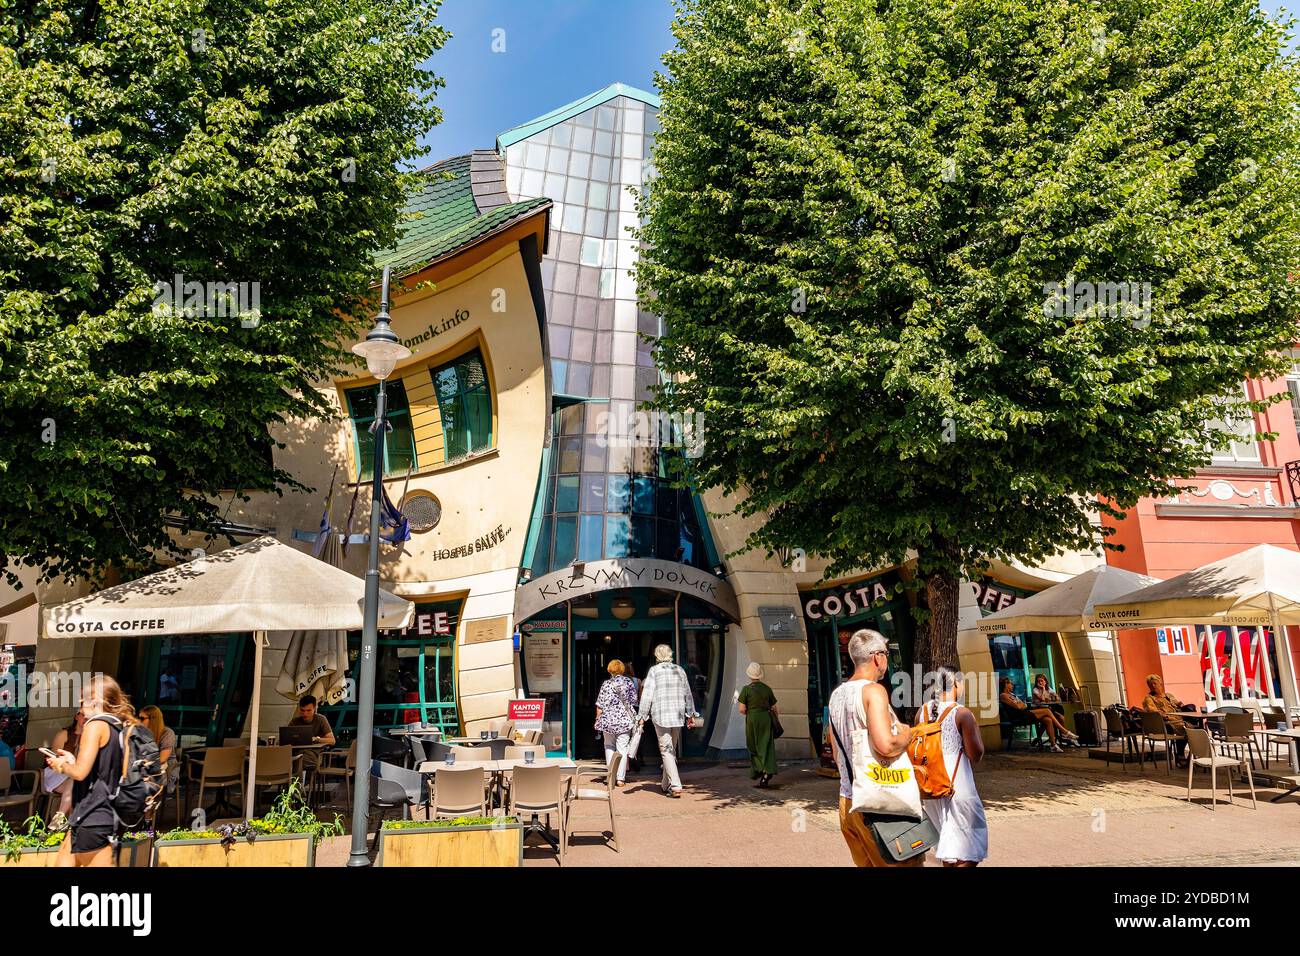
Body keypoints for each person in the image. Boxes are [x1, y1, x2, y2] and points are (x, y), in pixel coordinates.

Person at [827, 629, 922, 867]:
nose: (886, 661)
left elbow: (837, 753)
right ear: (877, 657)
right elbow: (886, 745)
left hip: (848, 801)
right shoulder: (874, 691)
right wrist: (907, 733)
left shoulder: (836, 695)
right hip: (880, 802)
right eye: (886, 655)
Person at [44, 675, 132, 867]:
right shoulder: (119, 728)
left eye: (84, 697)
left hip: (94, 817)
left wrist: (62, 765)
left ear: (97, 699)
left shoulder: (94, 726)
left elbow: (80, 773)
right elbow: (105, 769)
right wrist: (73, 761)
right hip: (94, 815)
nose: (80, 701)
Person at [916, 667, 987, 867]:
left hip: (931, 788)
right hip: (957, 786)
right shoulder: (962, 714)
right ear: (956, 683)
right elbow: (976, 754)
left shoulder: (922, 712)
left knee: (948, 849)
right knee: (970, 850)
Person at [635, 643, 698, 798]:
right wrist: (690, 714)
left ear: (657, 656)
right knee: (671, 750)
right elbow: (687, 693)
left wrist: (641, 716)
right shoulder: (680, 670)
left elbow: (647, 695)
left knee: (667, 751)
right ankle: (665, 784)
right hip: (677, 716)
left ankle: (675, 785)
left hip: (661, 715)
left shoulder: (654, 671)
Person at [1000, 677, 1079, 752]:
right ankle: (1064, 732)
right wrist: (1020, 705)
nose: (1012, 685)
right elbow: (1018, 706)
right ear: (1006, 684)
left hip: (1025, 712)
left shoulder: (1012, 694)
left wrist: (1020, 705)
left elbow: (1023, 705)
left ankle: (1053, 745)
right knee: (1047, 711)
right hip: (1019, 716)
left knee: (1048, 720)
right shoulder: (1003, 695)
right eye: (1011, 683)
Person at [593, 659, 638, 787]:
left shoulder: (606, 684)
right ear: (622, 669)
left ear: (610, 669)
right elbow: (634, 701)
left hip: (608, 721)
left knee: (609, 747)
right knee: (622, 749)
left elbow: (599, 704)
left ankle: (610, 776)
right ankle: (620, 779)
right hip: (624, 721)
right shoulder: (628, 682)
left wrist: (597, 719)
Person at [737, 662, 778, 788]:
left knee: (753, 744)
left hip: (753, 719)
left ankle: (760, 770)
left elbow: (742, 709)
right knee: (767, 744)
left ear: (749, 675)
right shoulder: (767, 688)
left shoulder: (746, 689)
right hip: (766, 718)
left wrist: (751, 713)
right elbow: (775, 707)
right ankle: (768, 771)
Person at [1140, 674, 1188, 767]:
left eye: (1155, 683)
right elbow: (1151, 710)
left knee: (1197, 728)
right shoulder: (1149, 698)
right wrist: (1164, 715)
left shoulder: (1169, 695)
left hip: (1179, 719)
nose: (1153, 686)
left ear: (1160, 683)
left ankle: (1193, 757)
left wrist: (1181, 705)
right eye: (1150, 685)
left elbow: (1177, 703)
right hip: (1166, 723)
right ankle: (1181, 756)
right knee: (1186, 730)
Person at [47, 710, 87, 821]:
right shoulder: (64, 734)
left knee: (78, 784)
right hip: (56, 772)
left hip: (75, 775)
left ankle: (63, 822)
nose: (85, 718)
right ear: (76, 716)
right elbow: (53, 758)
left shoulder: (90, 737)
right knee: (77, 782)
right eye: (82, 715)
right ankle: (61, 820)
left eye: (88, 716)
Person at [138, 705, 180, 795]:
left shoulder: (167, 733)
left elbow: (162, 759)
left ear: (153, 719)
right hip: (148, 768)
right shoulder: (142, 733)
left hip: (165, 771)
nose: (138, 721)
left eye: (142, 718)